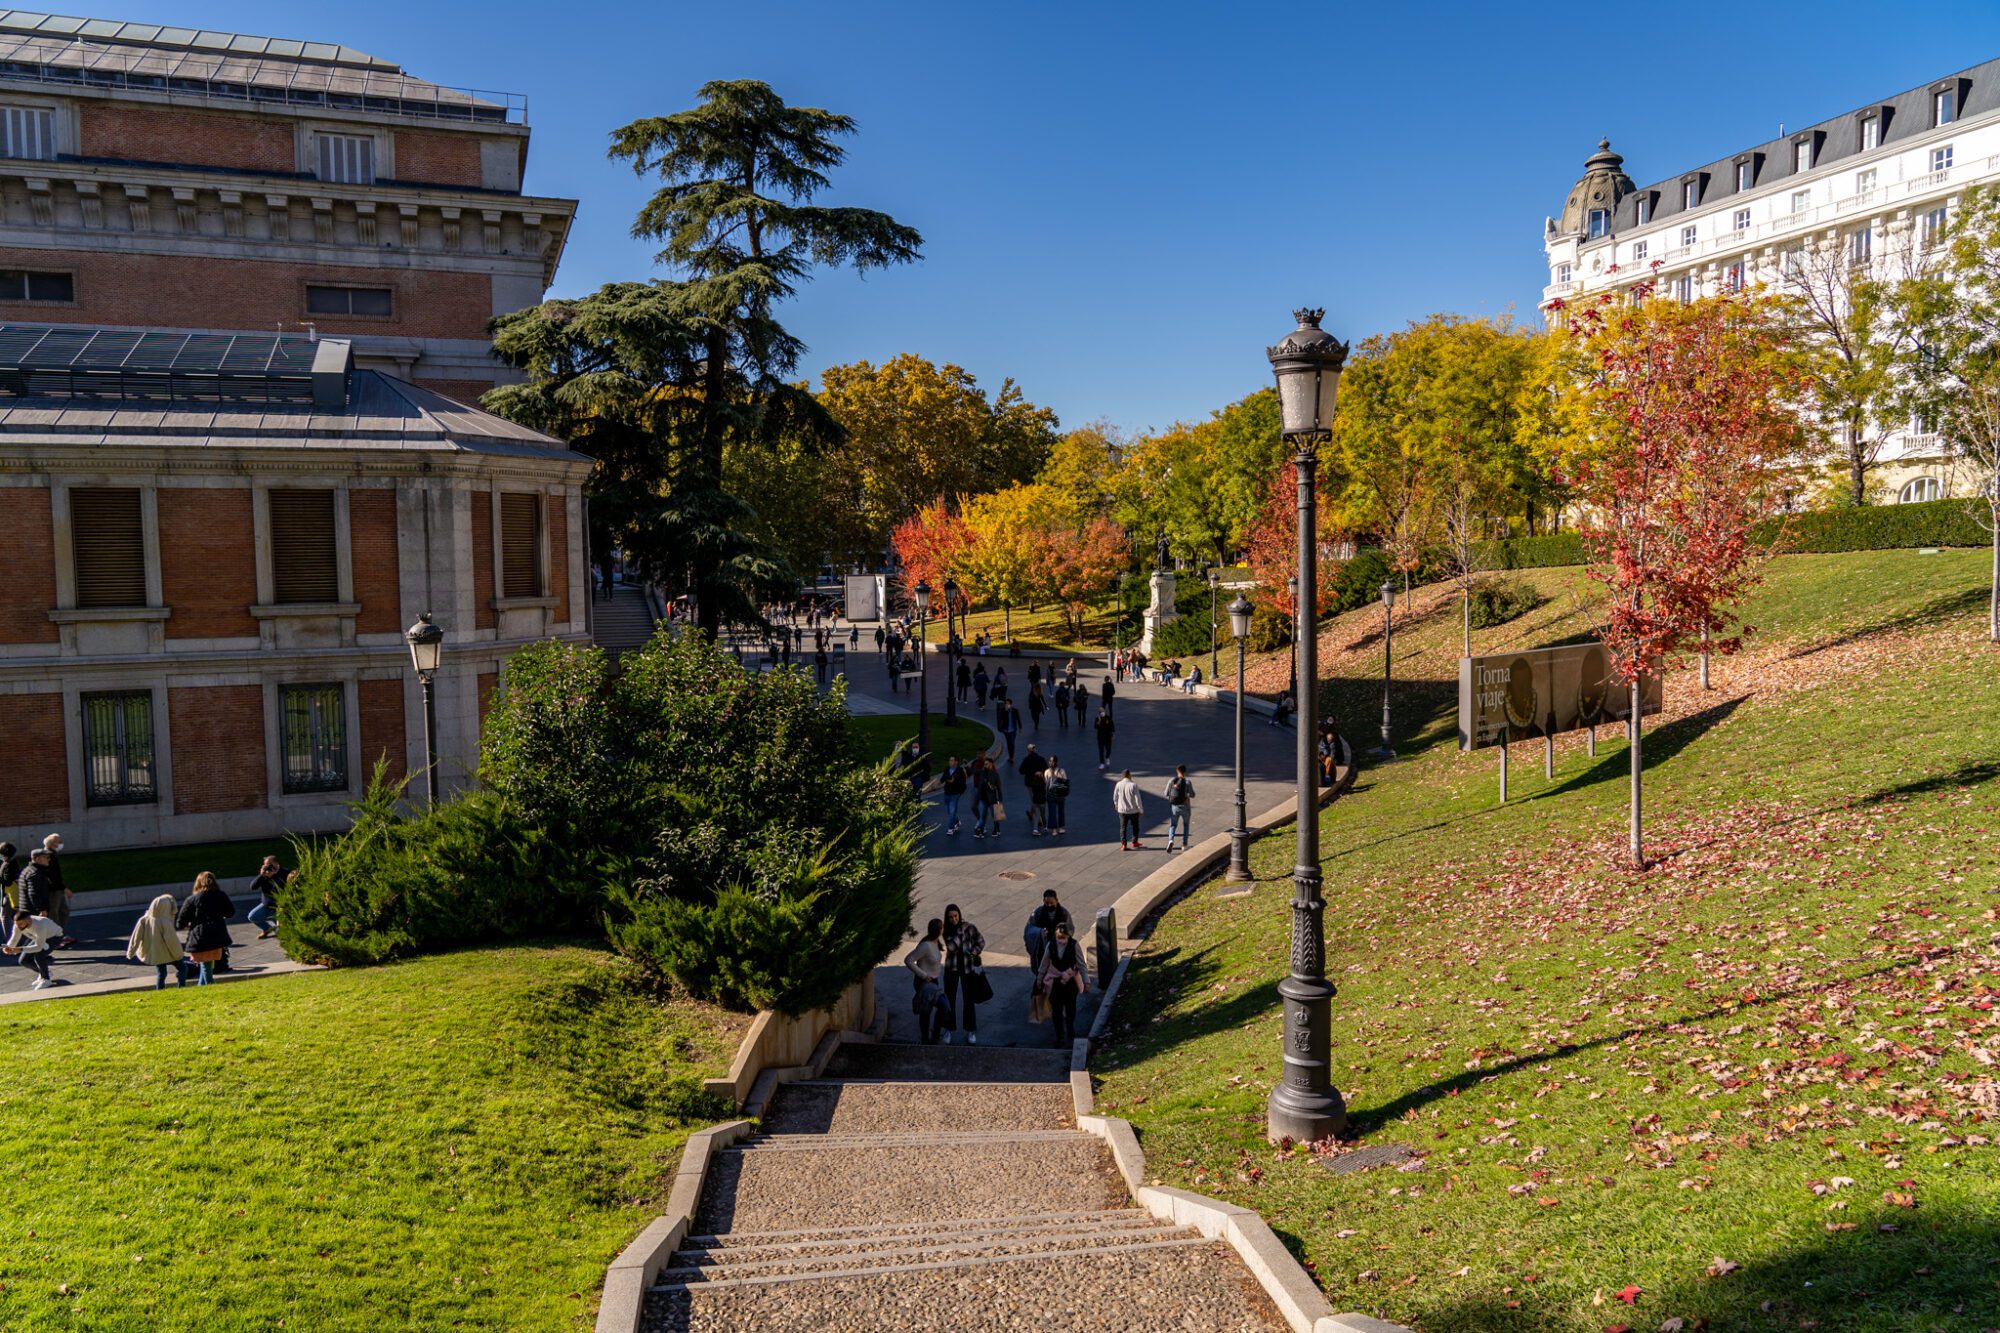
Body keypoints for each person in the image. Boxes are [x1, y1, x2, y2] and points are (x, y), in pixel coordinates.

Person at [175, 871, 236, 987]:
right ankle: (203, 985)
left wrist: (190, 923)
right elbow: (230, 912)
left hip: (200, 937)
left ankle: (209, 985)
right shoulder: (221, 895)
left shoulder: (191, 900)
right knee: (207, 963)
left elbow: (180, 923)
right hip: (218, 935)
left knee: (205, 963)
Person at [1036, 922, 1090, 1046]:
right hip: (1055, 983)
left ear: (1068, 936)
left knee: (1071, 1008)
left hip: (1070, 982)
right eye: (1059, 938)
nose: (1061, 941)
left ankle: (1070, 1028)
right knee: (1056, 1010)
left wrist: (1086, 981)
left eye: (1063, 938)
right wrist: (1039, 979)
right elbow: (1044, 963)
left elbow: (1081, 964)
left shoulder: (1074, 945)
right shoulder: (1051, 945)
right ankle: (1059, 1036)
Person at [940, 904, 986, 1045]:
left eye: (956, 916)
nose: (954, 919)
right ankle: (948, 1029)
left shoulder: (969, 927)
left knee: (969, 1000)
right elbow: (952, 947)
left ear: (959, 915)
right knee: (950, 999)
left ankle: (970, 1030)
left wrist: (974, 951)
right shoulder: (946, 931)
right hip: (952, 969)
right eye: (951, 917)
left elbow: (981, 941)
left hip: (967, 968)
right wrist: (960, 931)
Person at [127, 894, 186, 989]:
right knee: (183, 968)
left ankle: (160, 991)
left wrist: (131, 952)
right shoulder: (165, 922)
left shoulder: (144, 920)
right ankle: (181, 988)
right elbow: (172, 942)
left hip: (155, 954)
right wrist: (178, 955)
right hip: (168, 953)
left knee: (161, 974)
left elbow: (135, 937)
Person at [904, 918, 948, 1045]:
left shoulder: (935, 943)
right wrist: (923, 975)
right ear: (938, 930)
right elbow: (908, 960)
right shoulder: (925, 946)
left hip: (934, 981)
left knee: (929, 1010)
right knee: (940, 1007)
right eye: (942, 927)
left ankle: (931, 1037)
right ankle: (929, 1038)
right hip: (925, 982)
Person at [3, 909, 61, 990]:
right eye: (16, 924)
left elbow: (38, 947)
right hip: (38, 937)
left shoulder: (40, 925)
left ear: (29, 920)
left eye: (20, 924)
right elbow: (15, 938)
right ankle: (44, 973)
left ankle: (46, 979)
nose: (18, 927)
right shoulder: (18, 925)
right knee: (23, 960)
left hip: (54, 937)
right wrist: (9, 947)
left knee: (39, 956)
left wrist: (19, 949)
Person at [1024, 888, 1074, 970]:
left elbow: (1070, 929)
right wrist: (1039, 932)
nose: (1049, 905)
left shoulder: (1064, 913)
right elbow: (1029, 928)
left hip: (1059, 947)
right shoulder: (1038, 912)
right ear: (1043, 901)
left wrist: (1061, 934)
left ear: (1056, 900)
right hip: (1042, 947)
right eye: (1047, 903)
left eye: (1051, 903)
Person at [41, 834, 72, 946]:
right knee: (55, 913)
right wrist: (65, 888)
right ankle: (56, 938)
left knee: (63, 911)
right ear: (52, 844)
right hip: (53, 890)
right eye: (59, 841)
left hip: (57, 888)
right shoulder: (49, 856)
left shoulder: (51, 854)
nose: (61, 844)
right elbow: (53, 876)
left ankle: (60, 935)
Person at [248, 855, 288, 939]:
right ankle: (267, 929)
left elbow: (281, 889)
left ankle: (281, 932)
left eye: (270, 864)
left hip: (281, 907)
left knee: (283, 932)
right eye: (266, 865)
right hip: (267, 905)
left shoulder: (285, 873)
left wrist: (273, 877)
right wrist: (261, 875)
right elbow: (252, 887)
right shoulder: (265, 874)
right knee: (252, 916)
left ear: (276, 863)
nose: (268, 867)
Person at [14, 845, 57, 920]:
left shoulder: (28, 870)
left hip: (27, 909)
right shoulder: (35, 873)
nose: (49, 860)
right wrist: (41, 909)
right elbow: (34, 893)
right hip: (33, 911)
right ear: (37, 859)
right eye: (46, 857)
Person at [1164, 764, 1196, 852]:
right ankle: (1184, 845)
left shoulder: (1171, 781)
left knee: (1173, 825)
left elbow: (1165, 793)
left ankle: (1171, 840)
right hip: (1185, 806)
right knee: (1186, 825)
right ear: (1185, 772)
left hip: (1174, 807)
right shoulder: (1187, 782)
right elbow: (1193, 795)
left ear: (1177, 771)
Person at [1019, 744, 1049, 836]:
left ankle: (1037, 819)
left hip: (1030, 783)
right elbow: (1046, 769)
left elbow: (1021, 771)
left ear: (1028, 751)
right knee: (1036, 800)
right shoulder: (1041, 759)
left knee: (1034, 799)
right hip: (1040, 782)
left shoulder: (1026, 760)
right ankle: (1035, 817)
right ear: (1035, 749)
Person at [1113, 768, 1145, 850]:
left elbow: (1115, 797)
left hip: (1122, 810)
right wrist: (1140, 809)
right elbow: (1138, 799)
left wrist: (1116, 805)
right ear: (1129, 775)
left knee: (1123, 827)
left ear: (1122, 776)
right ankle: (1134, 842)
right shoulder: (1133, 785)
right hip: (1133, 810)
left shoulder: (1118, 784)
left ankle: (1124, 844)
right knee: (1135, 826)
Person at [972, 756, 1003, 840]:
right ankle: (980, 831)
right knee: (982, 816)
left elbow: (999, 788)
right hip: (983, 798)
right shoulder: (982, 772)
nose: (985, 766)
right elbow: (974, 771)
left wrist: (1000, 800)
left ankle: (996, 829)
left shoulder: (995, 774)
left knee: (995, 816)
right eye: (984, 764)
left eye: (986, 764)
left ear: (991, 765)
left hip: (992, 799)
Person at [939, 755, 968, 835]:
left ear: (956, 762)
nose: (950, 762)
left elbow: (963, 782)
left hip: (955, 793)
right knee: (949, 811)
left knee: (952, 811)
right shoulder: (947, 769)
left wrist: (954, 782)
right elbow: (943, 778)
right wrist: (939, 782)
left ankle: (951, 828)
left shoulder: (960, 770)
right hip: (947, 793)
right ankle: (957, 821)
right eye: (950, 760)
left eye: (952, 760)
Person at [1044, 754, 1071, 835]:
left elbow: (1046, 783)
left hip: (1051, 795)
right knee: (1061, 811)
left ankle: (1054, 830)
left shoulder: (1047, 772)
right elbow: (1066, 781)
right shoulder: (1062, 771)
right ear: (1057, 762)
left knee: (1052, 812)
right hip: (1060, 795)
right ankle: (1061, 828)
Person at [0, 841, 21, 913]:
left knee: (5, 916)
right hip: (10, 893)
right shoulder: (10, 862)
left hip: (10, 894)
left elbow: (8, 882)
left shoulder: (8, 864)